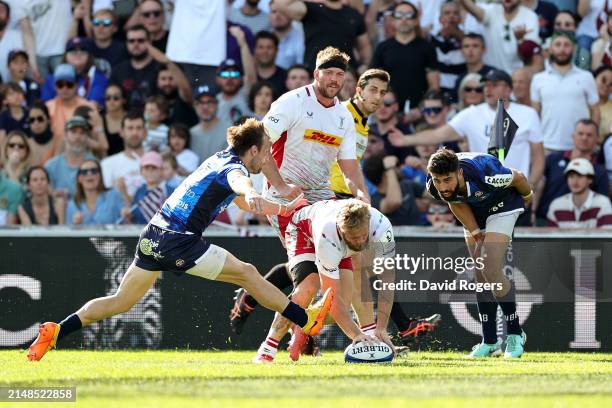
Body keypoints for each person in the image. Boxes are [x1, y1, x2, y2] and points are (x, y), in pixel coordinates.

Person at [27, 118, 332, 362]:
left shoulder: (219, 159)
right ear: (252, 150)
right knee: (249, 273)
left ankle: (55, 331)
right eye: (265, 151)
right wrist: (251, 191)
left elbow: (241, 202)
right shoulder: (235, 170)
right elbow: (242, 189)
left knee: (122, 301)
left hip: (153, 235)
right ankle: (305, 320)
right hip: (179, 240)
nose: (267, 157)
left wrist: (284, 208)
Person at [253, 198, 396, 363]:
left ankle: (306, 325)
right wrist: (356, 335)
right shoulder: (327, 235)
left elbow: (387, 281)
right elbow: (331, 299)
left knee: (348, 297)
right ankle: (268, 347)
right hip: (301, 231)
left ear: (369, 226)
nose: (359, 242)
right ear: (341, 230)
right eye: (354, 238)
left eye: (363, 236)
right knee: (308, 287)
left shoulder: (382, 226)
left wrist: (382, 329)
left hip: (338, 240)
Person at [389, 69, 545, 211]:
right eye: (486, 85)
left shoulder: (528, 114)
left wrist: (527, 190)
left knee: (519, 241)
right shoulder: (471, 114)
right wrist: (404, 140)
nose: (488, 89)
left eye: (494, 85)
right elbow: (438, 134)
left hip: (514, 193)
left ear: (508, 89)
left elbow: (538, 158)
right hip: (481, 196)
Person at [426, 148, 530, 358]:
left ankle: (515, 334)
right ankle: (489, 341)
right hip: (474, 211)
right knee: (480, 274)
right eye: (438, 180)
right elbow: (454, 201)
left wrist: (528, 197)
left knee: (489, 267)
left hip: (503, 205)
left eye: (447, 180)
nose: (443, 186)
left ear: (460, 174)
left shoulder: (486, 174)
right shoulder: (434, 184)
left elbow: (519, 177)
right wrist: (475, 233)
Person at [530, 31, 600, 153]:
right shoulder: (538, 79)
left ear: (573, 48)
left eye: (566, 45)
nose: (562, 49)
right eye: (558, 44)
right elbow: (535, 114)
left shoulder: (586, 77)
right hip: (546, 146)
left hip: (579, 147)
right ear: (550, 49)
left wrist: (590, 139)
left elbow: (595, 110)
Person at [371, 1, 440, 120]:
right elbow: (374, 83)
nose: (404, 19)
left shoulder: (427, 48)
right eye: (399, 15)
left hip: (418, 115)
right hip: (387, 113)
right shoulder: (382, 48)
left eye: (409, 15)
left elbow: (434, 86)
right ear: (392, 20)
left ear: (416, 20)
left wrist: (421, 110)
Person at [536, 119, 609, 224]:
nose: (584, 138)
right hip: (545, 219)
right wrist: (532, 213)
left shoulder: (600, 170)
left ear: (597, 139)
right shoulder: (552, 159)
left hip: (584, 225)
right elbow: (538, 188)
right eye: (580, 133)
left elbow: (602, 202)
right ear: (573, 136)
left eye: (589, 135)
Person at [275, 0, 371, 72]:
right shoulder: (311, 9)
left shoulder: (353, 14)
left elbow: (364, 46)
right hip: (315, 74)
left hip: (345, 76)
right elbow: (281, 4)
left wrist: (365, 65)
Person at [459, 0, 540, 74]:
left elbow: (528, 57)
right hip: (490, 75)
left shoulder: (530, 17)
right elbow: (472, 9)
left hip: (515, 77)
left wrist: (520, 41)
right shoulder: (492, 11)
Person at [41, 37, 108, 106]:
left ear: (89, 56)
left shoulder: (97, 77)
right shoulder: (52, 78)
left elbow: (96, 103)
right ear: (65, 55)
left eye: (82, 50)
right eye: (72, 50)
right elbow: (46, 105)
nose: (78, 53)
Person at [546, 158, 612, 228]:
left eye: (580, 176)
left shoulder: (603, 203)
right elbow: (551, 237)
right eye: (571, 176)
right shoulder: (556, 205)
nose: (575, 181)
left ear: (590, 179)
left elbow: (606, 237)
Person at [363, 152, 425, 225]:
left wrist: (422, 167)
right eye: (396, 166)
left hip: (418, 235)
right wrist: (390, 168)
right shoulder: (373, 201)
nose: (400, 169)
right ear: (386, 173)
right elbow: (394, 202)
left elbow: (437, 193)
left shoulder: (407, 185)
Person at [109, 24, 160, 110]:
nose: (136, 44)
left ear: (149, 41)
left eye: (141, 41)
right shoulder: (117, 70)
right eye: (131, 41)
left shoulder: (159, 68)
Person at [44, 116, 97, 197]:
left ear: (87, 137)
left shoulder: (95, 165)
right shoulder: (51, 166)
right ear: (65, 136)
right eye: (73, 132)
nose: (77, 137)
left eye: (82, 133)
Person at [100, 111, 147, 202]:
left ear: (145, 133)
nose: (134, 133)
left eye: (139, 128)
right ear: (121, 132)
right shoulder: (107, 164)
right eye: (130, 128)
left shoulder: (158, 161)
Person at [45, 64, 96, 143]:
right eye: (60, 85)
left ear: (77, 85)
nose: (65, 89)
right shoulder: (48, 107)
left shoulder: (88, 107)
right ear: (55, 86)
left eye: (69, 84)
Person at [66, 159, 125, 225]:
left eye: (94, 171)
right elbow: (68, 232)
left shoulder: (113, 195)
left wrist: (126, 215)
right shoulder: (72, 204)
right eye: (84, 172)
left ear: (100, 176)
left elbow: (127, 222)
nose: (89, 173)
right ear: (79, 178)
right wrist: (75, 224)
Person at [121, 151, 172, 225]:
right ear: (141, 171)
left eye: (154, 168)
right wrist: (128, 214)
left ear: (161, 170)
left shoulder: (170, 190)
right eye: (146, 168)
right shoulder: (140, 191)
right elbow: (134, 214)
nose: (150, 171)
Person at [430, 1, 465, 102]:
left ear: (460, 19)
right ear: (440, 19)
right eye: (447, 13)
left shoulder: (468, 39)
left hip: (461, 93)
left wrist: (458, 35)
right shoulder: (431, 39)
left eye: (455, 13)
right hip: (438, 94)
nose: (451, 16)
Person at [190, 84, 233, 161]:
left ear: (217, 104)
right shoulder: (190, 134)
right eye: (200, 102)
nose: (205, 107)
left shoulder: (230, 131)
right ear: (194, 106)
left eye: (209, 102)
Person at [269, 0, 304, 70]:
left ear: (292, 14)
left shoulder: (301, 39)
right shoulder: (264, 38)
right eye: (274, 11)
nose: (277, 16)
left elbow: (302, 69)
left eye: (282, 12)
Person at [253, 31, 287, 96]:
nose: (265, 51)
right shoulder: (248, 76)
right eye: (261, 47)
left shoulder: (286, 77)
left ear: (276, 50)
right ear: (254, 50)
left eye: (269, 47)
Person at [101, 84, 127, 156]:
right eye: (108, 97)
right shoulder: (99, 119)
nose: (111, 101)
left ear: (123, 100)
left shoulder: (131, 119)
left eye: (116, 98)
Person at [594, 66, 612, 140]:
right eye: (603, 80)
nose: (607, 85)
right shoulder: (580, 104)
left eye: (611, 84)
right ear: (593, 79)